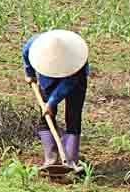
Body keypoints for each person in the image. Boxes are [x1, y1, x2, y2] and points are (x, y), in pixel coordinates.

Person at [23, 30, 90, 170]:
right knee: (46, 116)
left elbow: (67, 85)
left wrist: (51, 103)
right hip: (47, 77)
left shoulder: (77, 60)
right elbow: (26, 54)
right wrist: (29, 73)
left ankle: (70, 159)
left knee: (73, 116)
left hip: (75, 81)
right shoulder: (35, 44)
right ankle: (51, 158)